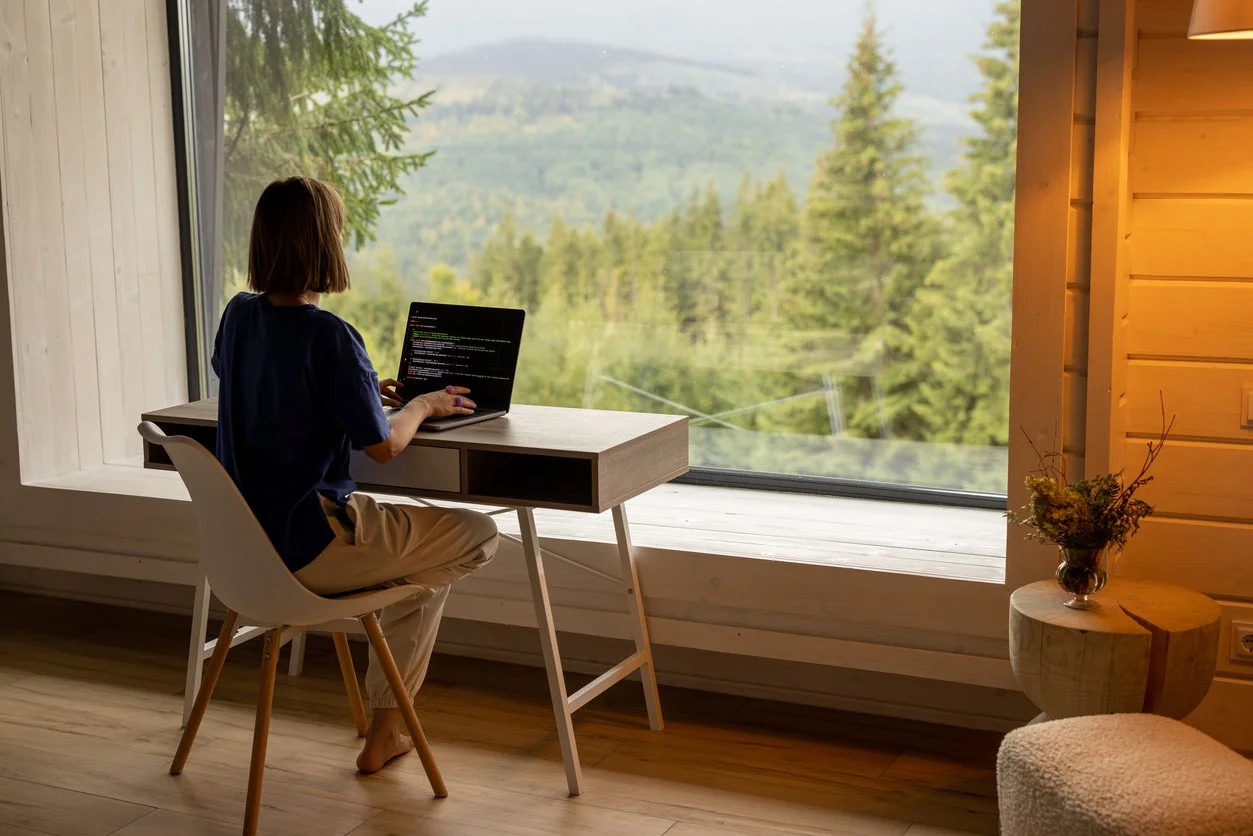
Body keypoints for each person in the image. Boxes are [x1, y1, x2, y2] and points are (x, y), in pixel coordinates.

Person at [212, 176, 499, 774]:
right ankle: (388, 726)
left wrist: (360, 391)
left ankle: (388, 726)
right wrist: (423, 405)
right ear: (326, 243)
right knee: (476, 536)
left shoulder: (237, 316)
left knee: (417, 568)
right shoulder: (331, 336)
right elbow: (385, 447)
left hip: (245, 556)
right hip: (312, 544)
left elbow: (264, 381)